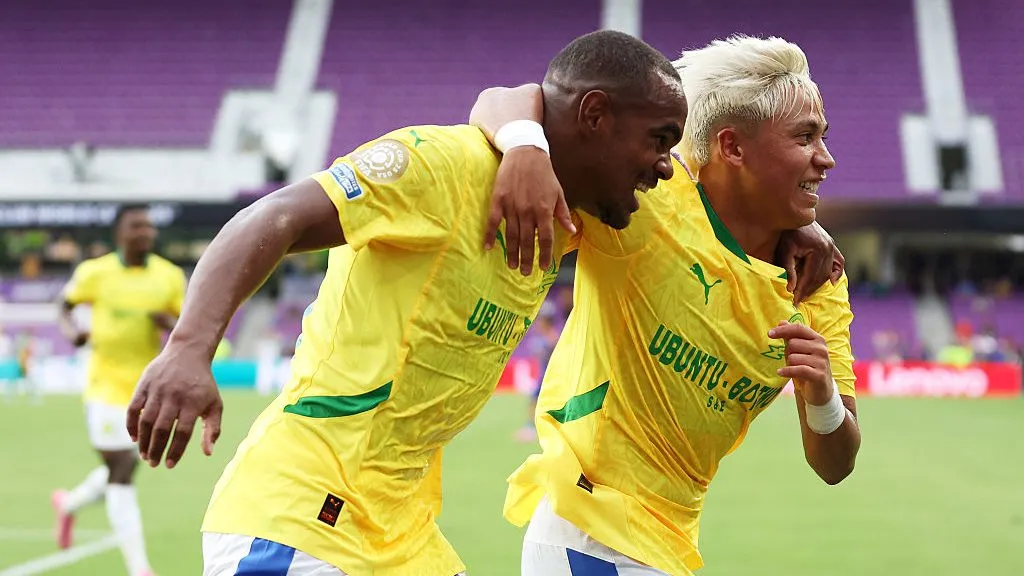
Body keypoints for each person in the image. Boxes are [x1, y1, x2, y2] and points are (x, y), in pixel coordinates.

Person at [127, 30, 688, 575]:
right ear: (594, 116)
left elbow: (512, 100)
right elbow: (273, 216)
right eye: (659, 139)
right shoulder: (442, 165)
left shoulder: (574, 219)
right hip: (301, 520)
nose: (665, 165)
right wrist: (188, 347)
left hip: (404, 535)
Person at [470, 35, 860, 574]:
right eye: (805, 137)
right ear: (732, 148)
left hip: (666, 545)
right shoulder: (647, 200)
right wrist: (524, 146)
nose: (827, 157)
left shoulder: (815, 279)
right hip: (586, 531)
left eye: (823, 136)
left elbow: (837, 463)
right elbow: (504, 99)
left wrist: (821, 393)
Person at [52, 203, 185, 576]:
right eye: (137, 226)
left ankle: (67, 504)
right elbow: (64, 304)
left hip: (147, 389)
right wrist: (71, 331)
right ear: (120, 233)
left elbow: (188, 324)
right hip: (104, 388)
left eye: (149, 226)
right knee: (122, 469)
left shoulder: (169, 276)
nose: (146, 232)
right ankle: (139, 568)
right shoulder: (95, 273)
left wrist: (169, 321)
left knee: (126, 464)